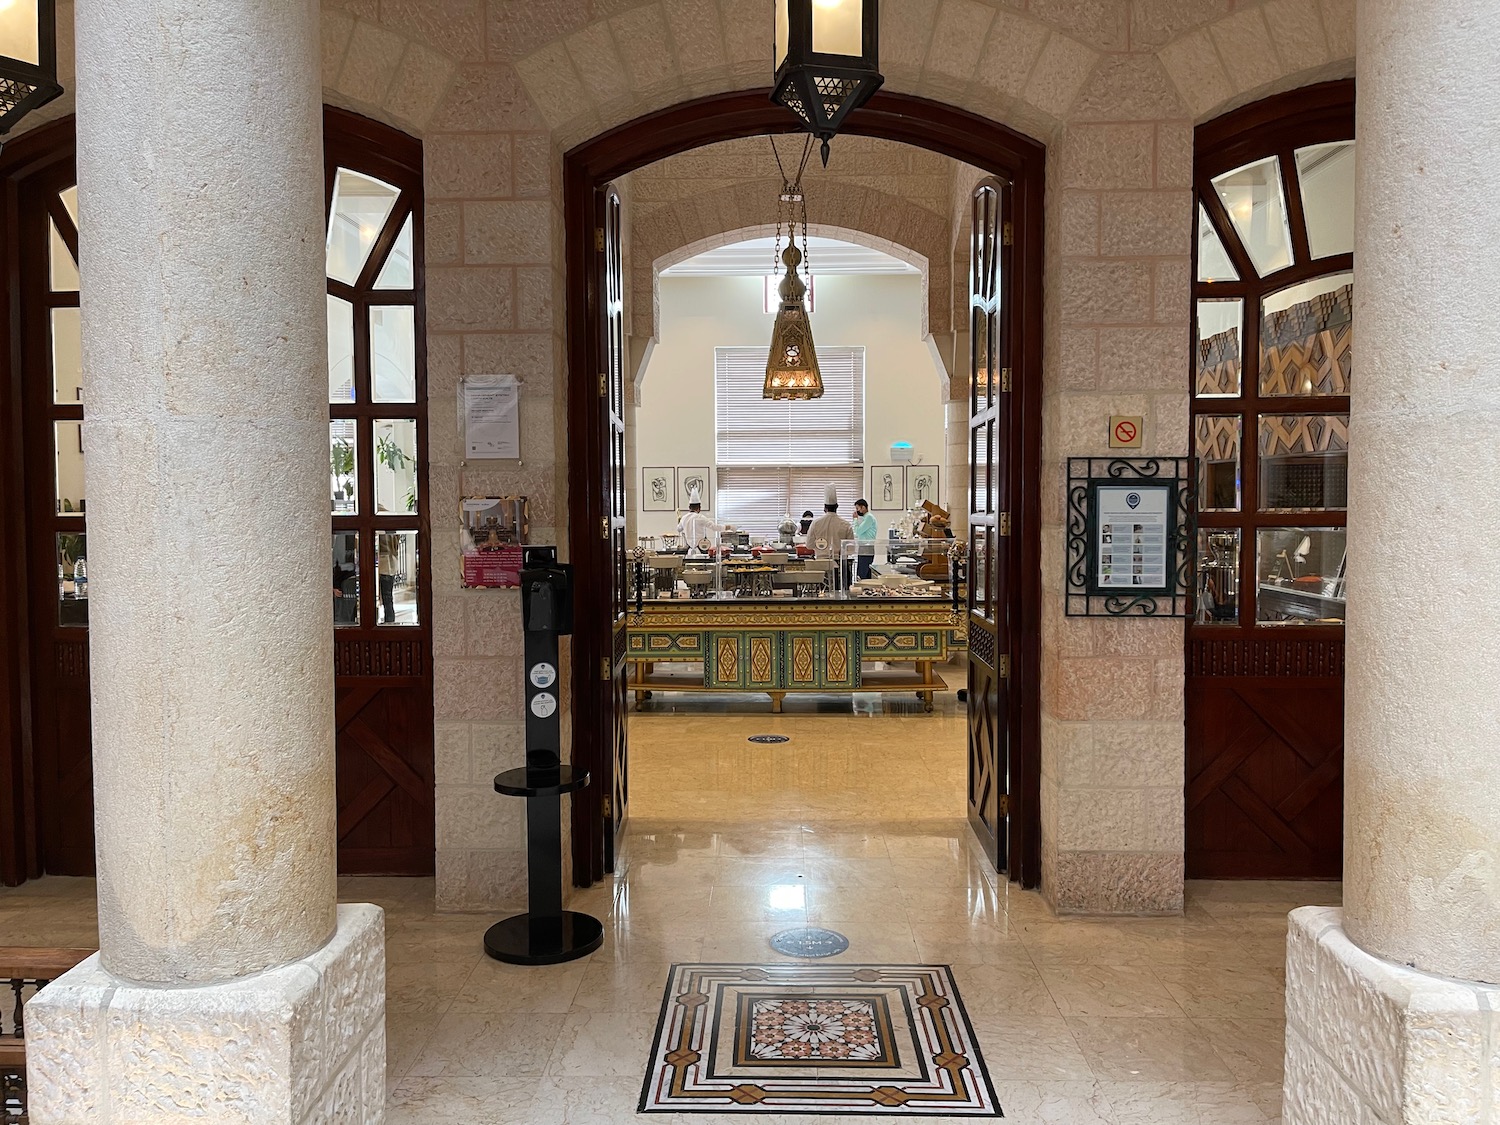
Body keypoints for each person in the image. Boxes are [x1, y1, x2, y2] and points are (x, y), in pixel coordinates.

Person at [806, 485, 854, 590]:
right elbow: (850, 549)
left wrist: (819, 547)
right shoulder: (845, 524)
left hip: (819, 566)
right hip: (840, 566)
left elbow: (809, 545)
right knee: (840, 594)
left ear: (824, 507)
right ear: (837, 507)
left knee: (819, 595)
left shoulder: (816, 523)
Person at [677, 487, 721, 555]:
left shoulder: (684, 518)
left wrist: (680, 521)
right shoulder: (701, 517)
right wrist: (726, 527)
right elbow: (714, 527)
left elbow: (679, 529)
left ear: (689, 508)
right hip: (701, 548)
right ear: (699, 508)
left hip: (689, 550)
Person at [377, 532, 401, 624]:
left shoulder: (382, 531)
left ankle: (389, 621)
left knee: (386, 597)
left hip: (384, 564)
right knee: (388, 597)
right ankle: (389, 621)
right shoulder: (393, 531)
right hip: (391, 564)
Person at [852, 498, 877, 581]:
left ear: (863, 507)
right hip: (864, 547)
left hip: (867, 547)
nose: (857, 511)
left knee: (863, 573)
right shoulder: (866, 518)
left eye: (857, 508)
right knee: (863, 571)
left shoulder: (869, 517)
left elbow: (858, 531)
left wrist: (855, 520)